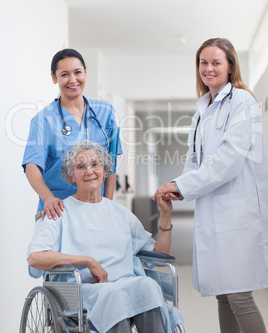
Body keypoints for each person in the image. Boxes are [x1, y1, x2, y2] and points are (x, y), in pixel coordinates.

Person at [154, 38, 268, 333]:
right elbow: (196, 161)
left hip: (238, 214)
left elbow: (227, 161)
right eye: (203, 63)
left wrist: (180, 185)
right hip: (213, 213)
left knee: (239, 296)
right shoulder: (203, 109)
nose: (208, 68)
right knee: (223, 295)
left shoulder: (242, 102)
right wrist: (177, 186)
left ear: (230, 66)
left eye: (216, 62)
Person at [27, 140, 183, 333]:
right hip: (82, 291)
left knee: (148, 285)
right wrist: (86, 261)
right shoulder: (58, 211)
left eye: (95, 164)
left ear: (105, 170)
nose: (89, 171)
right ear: (72, 176)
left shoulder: (120, 213)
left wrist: (165, 215)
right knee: (114, 295)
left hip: (124, 286)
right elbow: (35, 258)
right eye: (81, 167)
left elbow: (158, 256)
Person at [22, 48, 122, 220]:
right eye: (64, 74)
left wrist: (108, 204)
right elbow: (31, 167)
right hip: (60, 209)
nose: (73, 80)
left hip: (96, 207)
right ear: (54, 78)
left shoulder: (105, 112)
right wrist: (48, 199)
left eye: (77, 72)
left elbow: (111, 163)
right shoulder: (43, 120)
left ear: (85, 73)